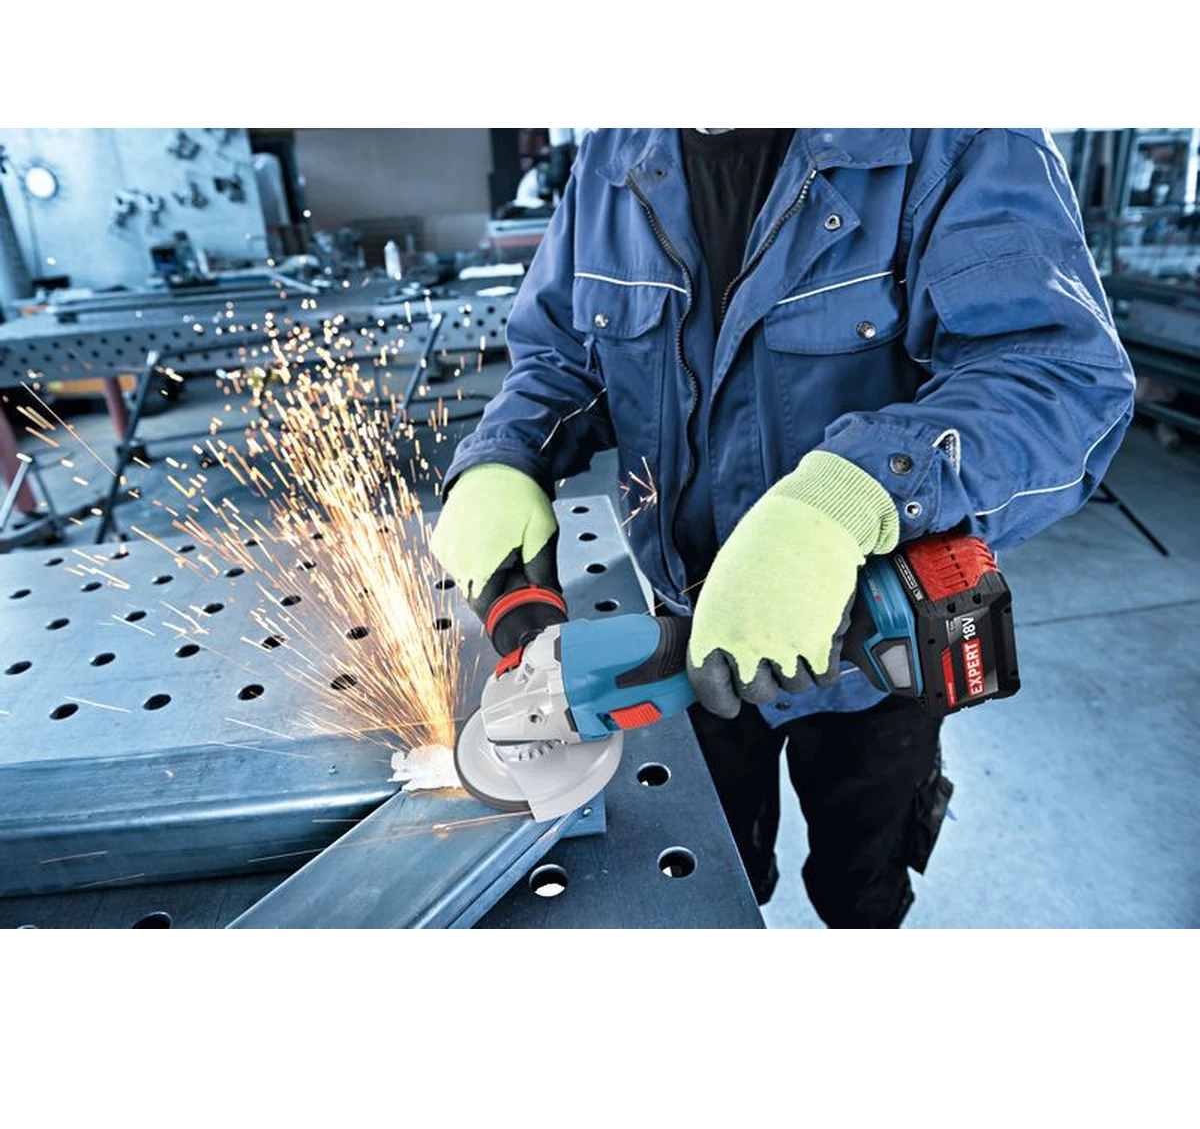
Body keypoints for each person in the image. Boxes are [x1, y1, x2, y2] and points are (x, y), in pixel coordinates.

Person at [431, 124, 1136, 928]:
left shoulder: (956, 130)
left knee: (860, 889)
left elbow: (1057, 376)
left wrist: (843, 503)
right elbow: (562, 356)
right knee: (715, 885)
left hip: (870, 654)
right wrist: (504, 454)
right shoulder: (611, 156)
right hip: (690, 628)